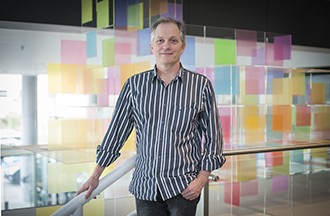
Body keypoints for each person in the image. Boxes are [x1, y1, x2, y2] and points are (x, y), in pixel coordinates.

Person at [77, 17, 226, 216]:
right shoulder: (134, 86)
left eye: (173, 40)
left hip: (184, 187)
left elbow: (214, 137)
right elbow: (116, 133)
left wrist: (202, 178)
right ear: (151, 47)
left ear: (183, 47)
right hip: (146, 188)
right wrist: (96, 175)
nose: (166, 46)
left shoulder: (201, 86)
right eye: (160, 40)